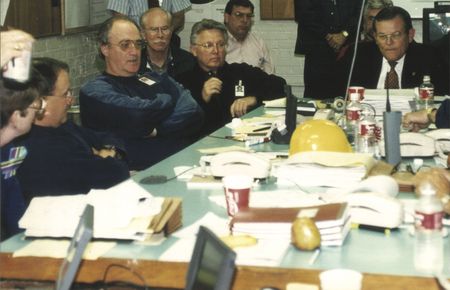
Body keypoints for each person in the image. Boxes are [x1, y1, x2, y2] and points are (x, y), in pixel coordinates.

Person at [80, 16, 203, 170]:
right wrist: (167, 99)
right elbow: (137, 115)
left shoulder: (152, 77)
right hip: (137, 175)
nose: (134, 52)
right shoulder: (94, 90)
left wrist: (158, 130)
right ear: (105, 49)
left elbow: (194, 112)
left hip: (184, 165)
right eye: (125, 45)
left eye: (138, 44)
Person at [16, 57, 130, 201]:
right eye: (65, 95)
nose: (71, 100)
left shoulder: (61, 125)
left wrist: (109, 150)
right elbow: (117, 173)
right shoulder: (44, 148)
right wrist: (102, 155)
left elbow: (107, 136)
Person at [175, 19, 286, 138]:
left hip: (244, 141)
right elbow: (180, 126)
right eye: (208, 45)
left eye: (221, 44)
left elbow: (280, 85)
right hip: (204, 144)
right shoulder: (183, 81)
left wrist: (254, 98)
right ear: (194, 50)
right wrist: (202, 99)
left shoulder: (240, 71)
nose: (216, 51)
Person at [350, 6, 446, 95]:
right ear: (375, 37)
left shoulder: (430, 58)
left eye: (396, 35)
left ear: (410, 35)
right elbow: (339, 97)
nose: (388, 42)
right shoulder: (357, 56)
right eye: (382, 36)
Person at [0, 74, 43, 240]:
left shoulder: (8, 150)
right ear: (17, 116)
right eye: (37, 105)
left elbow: (13, 206)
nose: (40, 111)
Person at [294, 0, 361, 99]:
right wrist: (327, 35)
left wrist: (344, 34)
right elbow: (303, 13)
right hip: (317, 49)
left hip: (347, 49)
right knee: (316, 97)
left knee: (347, 96)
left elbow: (360, 12)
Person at [107, 0, 191, 47]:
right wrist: (143, 39)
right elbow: (120, 22)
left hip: (165, 44)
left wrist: (163, 35)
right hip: (136, 45)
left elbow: (179, 18)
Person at [139, 7, 195, 78]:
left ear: (171, 31)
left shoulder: (188, 61)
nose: (160, 35)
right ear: (143, 34)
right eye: (154, 29)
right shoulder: (134, 63)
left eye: (164, 29)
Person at [224, 0, 274, 74]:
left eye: (249, 16)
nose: (245, 20)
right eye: (239, 15)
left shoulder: (259, 43)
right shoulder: (218, 43)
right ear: (226, 17)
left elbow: (270, 76)